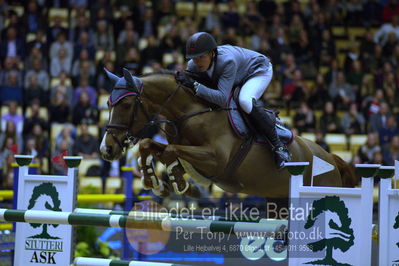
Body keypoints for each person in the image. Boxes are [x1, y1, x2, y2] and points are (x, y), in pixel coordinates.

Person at [175, 32, 291, 169]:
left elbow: (222, 99)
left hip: (257, 71)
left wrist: (195, 85)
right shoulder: (193, 65)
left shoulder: (227, 61)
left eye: (201, 57)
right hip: (236, 75)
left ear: (212, 53)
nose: (198, 62)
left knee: (245, 100)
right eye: (194, 58)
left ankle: (279, 146)